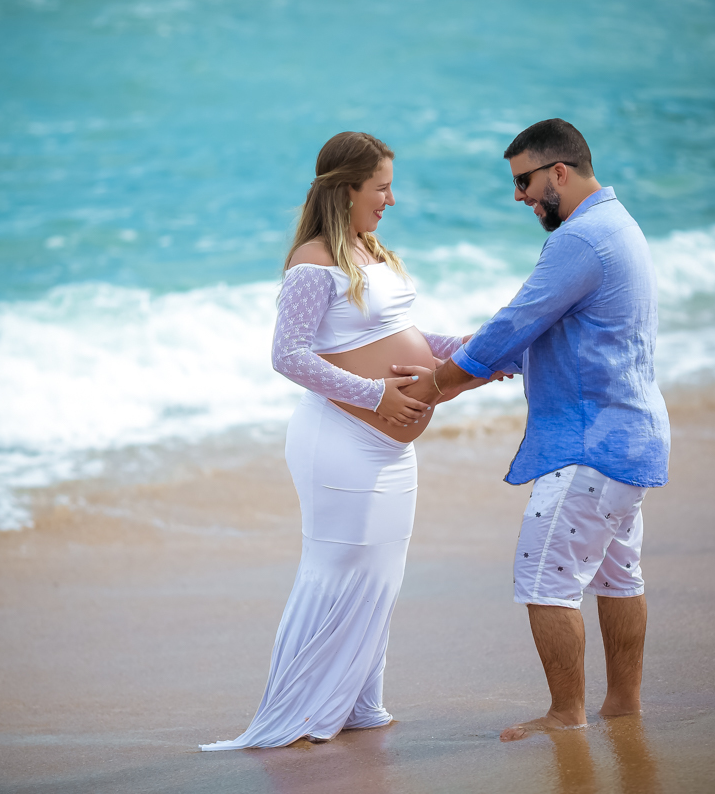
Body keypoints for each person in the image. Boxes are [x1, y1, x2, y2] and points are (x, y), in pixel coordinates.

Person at [395, 118, 671, 740]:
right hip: (631, 437)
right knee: (618, 575)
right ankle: (622, 705)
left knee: (545, 579)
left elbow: (519, 319)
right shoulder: (620, 226)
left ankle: (565, 714)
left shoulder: (581, 238)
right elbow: (561, 331)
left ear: (560, 173)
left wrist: (436, 383)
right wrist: (474, 358)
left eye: (524, 181)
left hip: (589, 445)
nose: (519, 196)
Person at [200, 132, 475, 751]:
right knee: (335, 568)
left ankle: (351, 701)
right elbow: (287, 355)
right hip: (340, 438)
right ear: (348, 188)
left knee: (380, 570)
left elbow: (397, 331)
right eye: (381, 187)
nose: (391, 199)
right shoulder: (313, 260)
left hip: (389, 448)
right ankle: (297, 709)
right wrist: (376, 396)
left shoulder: (368, 250)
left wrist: (467, 350)